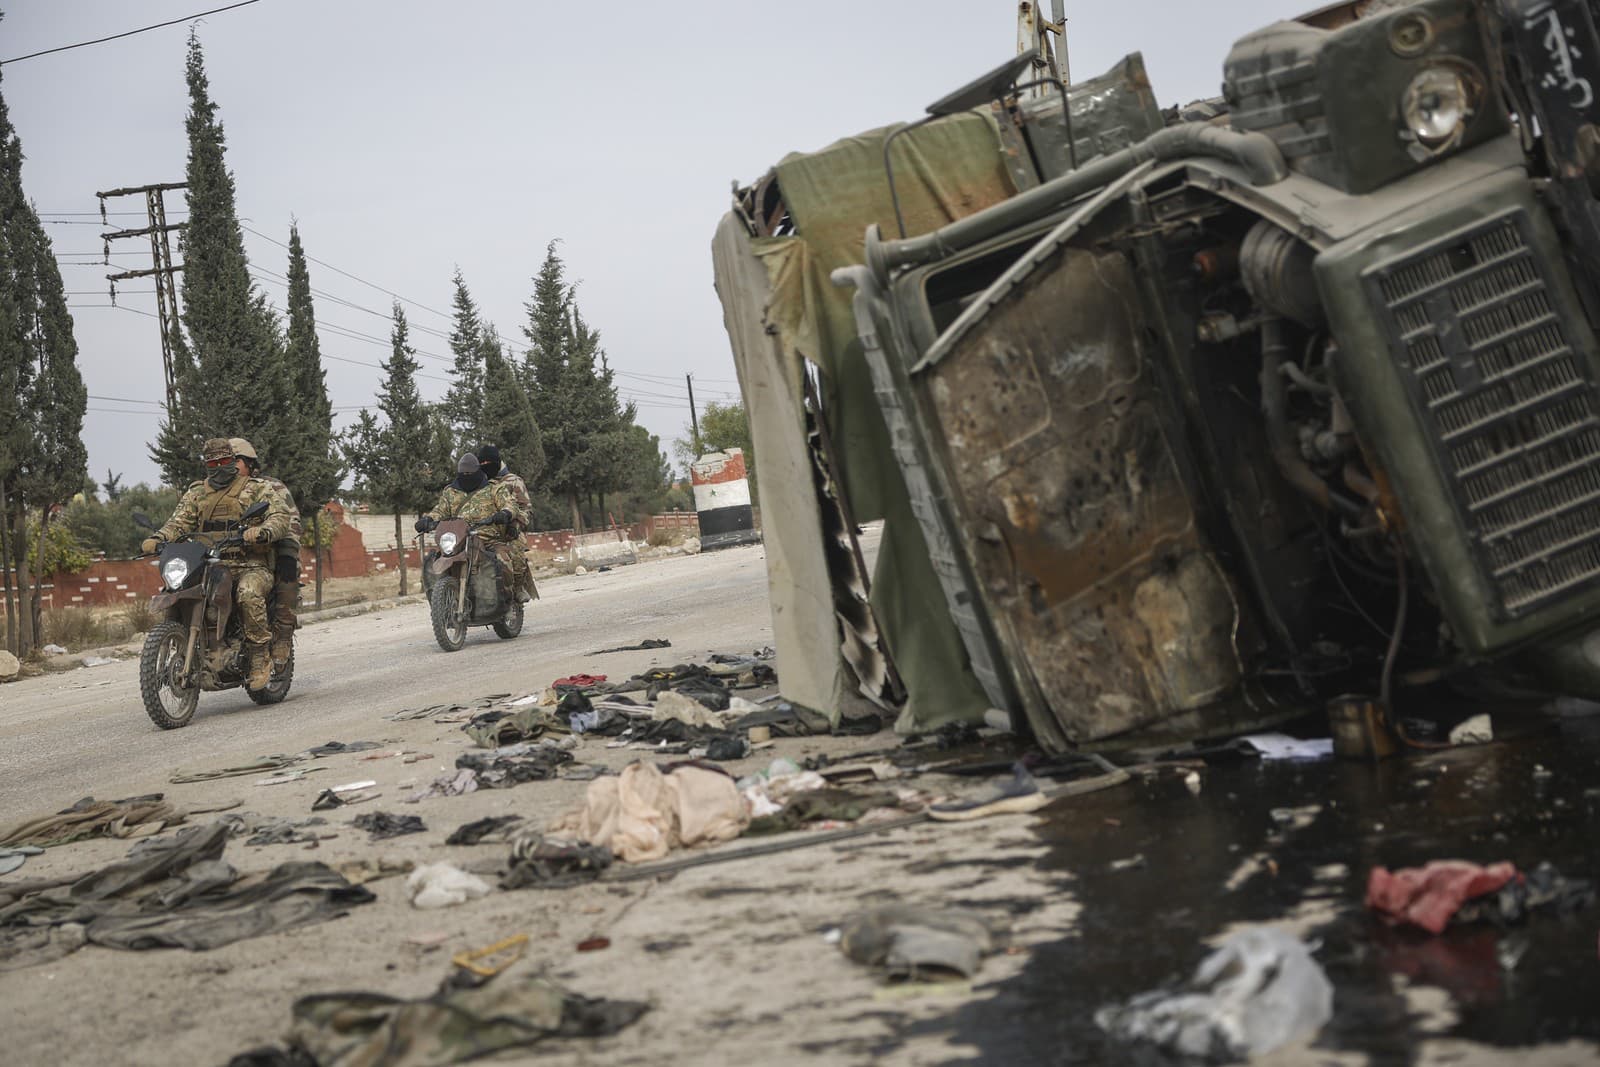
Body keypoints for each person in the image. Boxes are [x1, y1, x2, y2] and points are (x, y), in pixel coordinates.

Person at [141, 437, 293, 689]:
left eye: (223, 461)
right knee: (178, 589)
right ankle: (184, 649)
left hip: (250, 564)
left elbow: (279, 515)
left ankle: (258, 656)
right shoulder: (197, 493)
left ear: (233, 461)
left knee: (247, 592)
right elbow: (178, 523)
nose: (218, 466)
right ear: (206, 465)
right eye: (213, 463)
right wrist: (158, 538)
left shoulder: (256, 488)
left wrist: (262, 531)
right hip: (208, 564)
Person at [416, 454, 529, 603]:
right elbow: (440, 510)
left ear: (478, 471)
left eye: (470, 473)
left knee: (503, 559)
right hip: (458, 539)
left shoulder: (494, 489)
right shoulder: (450, 492)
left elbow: (510, 504)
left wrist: (505, 513)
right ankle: (442, 604)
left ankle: (509, 598)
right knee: (432, 561)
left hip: (487, 538)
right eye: (464, 474)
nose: (467, 476)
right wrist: (428, 520)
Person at [229, 437, 301, 668]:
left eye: (235, 461)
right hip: (227, 558)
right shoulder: (216, 491)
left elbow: (291, 522)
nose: (230, 466)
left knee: (286, 577)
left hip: (265, 553)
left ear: (249, 463)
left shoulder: (270, 487)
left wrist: (288, 554)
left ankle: (282, 636)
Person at [475, 443, 537, 601]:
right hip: (484, 530)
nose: (484, 467)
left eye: (487, 464)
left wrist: (515, 525)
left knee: (515, 550)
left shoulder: (513, 481)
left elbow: (526, 509)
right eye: (481, 464)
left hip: (510, 531)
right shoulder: (478, 484)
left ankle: (517, 588)